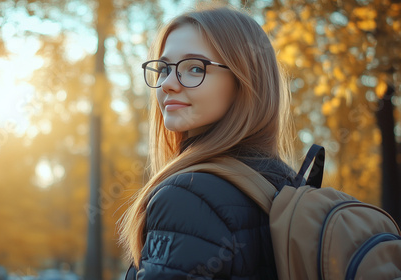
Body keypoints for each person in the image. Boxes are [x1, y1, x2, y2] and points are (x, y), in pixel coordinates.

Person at [119, 4, 297, 279]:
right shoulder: (285, 183)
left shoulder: (187, 195)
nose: (167, 83)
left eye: (193, 68)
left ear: (244, 81)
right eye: (164, 69)